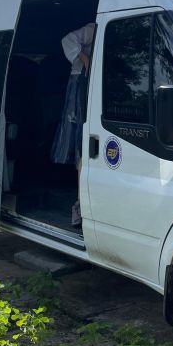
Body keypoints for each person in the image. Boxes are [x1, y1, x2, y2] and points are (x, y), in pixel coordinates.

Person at [51, 23, 95, 227]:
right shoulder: (94, 28)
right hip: (80, 83)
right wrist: (84, 58)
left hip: (93, 83)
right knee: (80, 144)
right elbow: (67, 39)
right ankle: (79, 206)